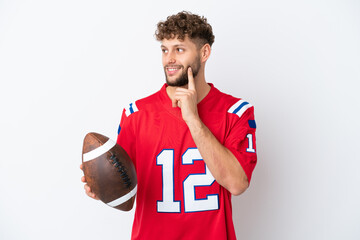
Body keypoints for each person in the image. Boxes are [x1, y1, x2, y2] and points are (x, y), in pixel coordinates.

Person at [81, 11, 257, 240]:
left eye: (179, 49)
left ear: (204, 52)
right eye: (164, 50)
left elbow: (237, 184)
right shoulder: (136, 114)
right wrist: (103, 187)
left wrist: (193, 118)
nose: (169, 59)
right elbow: (125, 188)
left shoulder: (236, 112)